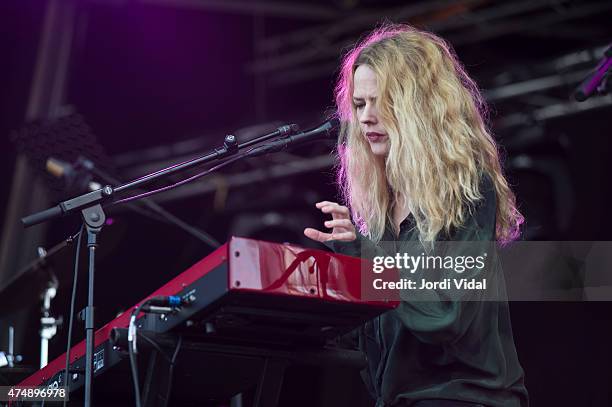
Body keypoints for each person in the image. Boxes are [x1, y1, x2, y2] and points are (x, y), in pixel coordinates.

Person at [303, 24, 528, 407]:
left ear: (417, 106)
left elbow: (446, 317)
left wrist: (365, 259)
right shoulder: (379, 212)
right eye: (359, 105)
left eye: (382, 101)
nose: (366, 117)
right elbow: (376, 344)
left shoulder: (468, 189)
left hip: (466, 399)